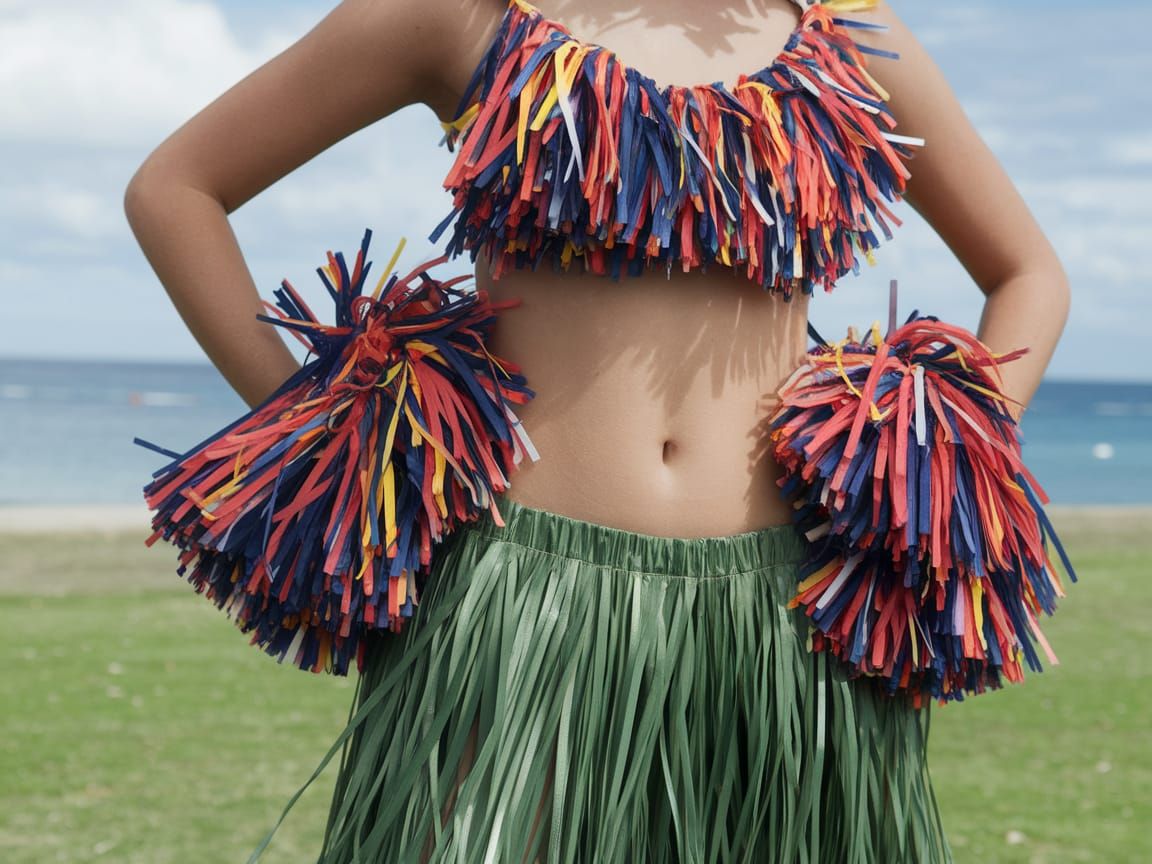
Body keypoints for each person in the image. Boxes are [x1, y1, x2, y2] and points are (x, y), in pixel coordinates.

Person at [123, 0, 1070, 861]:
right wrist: (331, 439)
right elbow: (176, 190)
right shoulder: (458, 17)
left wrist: (939, 465)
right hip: (515, 609)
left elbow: (1028, 274)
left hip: (791, 624)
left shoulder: (848, 33)